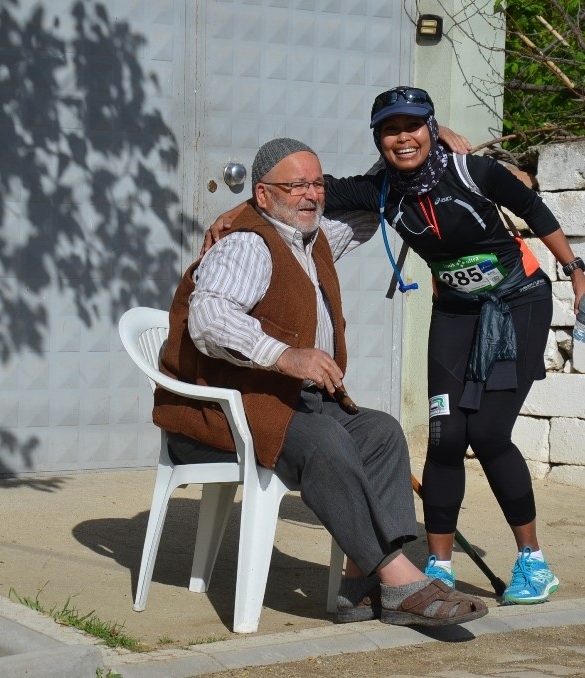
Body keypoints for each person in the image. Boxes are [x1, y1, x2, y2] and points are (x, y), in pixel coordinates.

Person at [206, 88, 585, 605]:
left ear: (431, 127)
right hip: (455, 314)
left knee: (487, 433)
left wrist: (577, 276)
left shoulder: (470, 170)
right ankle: (438, 566)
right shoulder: (378, 190)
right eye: (391, 129)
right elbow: (301, 191)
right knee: (443, 438)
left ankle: (533, 562)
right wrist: (239, 210)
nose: (404, 137)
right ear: (378, 138)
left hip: (517, 304)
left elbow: (532, 208)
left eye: (415, 126)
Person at [153, 137, 489, 627]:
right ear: (263, 196)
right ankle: (400, 578)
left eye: (317, 184)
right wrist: (285, 355)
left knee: (381, 433)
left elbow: (373, 206)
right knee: (327, 442)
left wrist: (416, 139)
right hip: (218, 412)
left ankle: (359, 582)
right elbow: (208, 319)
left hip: (279, 402)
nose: (310, 195)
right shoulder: (248, 244)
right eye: (295, 186)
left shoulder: (312, 236)